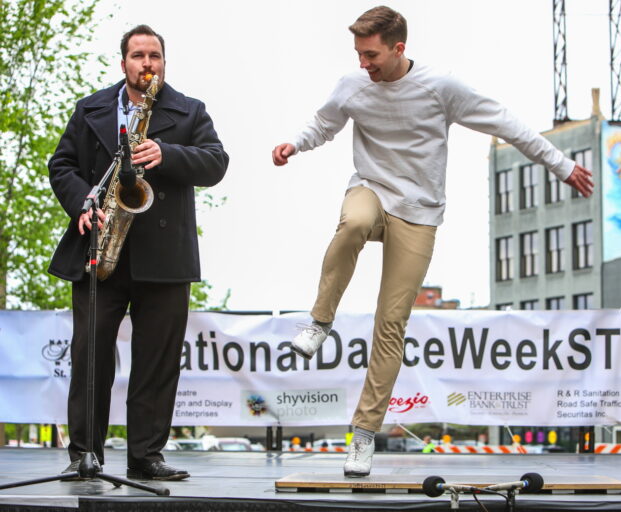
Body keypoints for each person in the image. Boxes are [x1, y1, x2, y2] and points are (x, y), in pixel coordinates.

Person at [272, 6, 593, 477]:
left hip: (419, 212)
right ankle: (320, 321)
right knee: (353, 223)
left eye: (372, 55)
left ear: (399, 48)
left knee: (391, 324)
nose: (365, 64)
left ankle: (363, 436)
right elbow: (325, 123)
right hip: (371, 189)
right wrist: (295, 144)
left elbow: (507, 123)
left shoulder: (442, 87)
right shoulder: (352, 84)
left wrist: (561, 166)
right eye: (359, 55)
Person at [48, 24, 228, 481]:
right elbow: (62, 164)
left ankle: (146, 456)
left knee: (156, 360)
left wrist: (166, 153)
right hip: (101, 248)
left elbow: (216, 162)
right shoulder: (90, 108)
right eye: (138, 56)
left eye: (155, 56)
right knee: (91, 356)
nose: (147, 64)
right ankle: (84, 454)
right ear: (123, 62)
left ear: (163, 62)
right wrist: (82, 205)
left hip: (164, 255)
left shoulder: (189, 112)